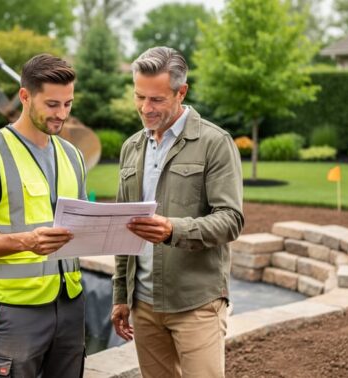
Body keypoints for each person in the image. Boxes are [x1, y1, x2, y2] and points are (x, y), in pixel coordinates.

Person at [111, 46, 244, 378]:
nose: (145, 107)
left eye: (156, 100)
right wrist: (120, 295)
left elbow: (231, 219)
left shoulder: (214, 142)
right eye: (139, 97)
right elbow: (123, 227)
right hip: (142, 305)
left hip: (196, 304)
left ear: (181, 91)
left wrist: (173, 229)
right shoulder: (131, 147)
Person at [0, 54, 87, 378]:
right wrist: (25, 241)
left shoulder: (73, 155)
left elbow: (80, 222)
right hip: (14, 311)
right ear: (24, 96)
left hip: (70, 304)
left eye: (68, 104)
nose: (62, 114)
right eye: (52, 104)